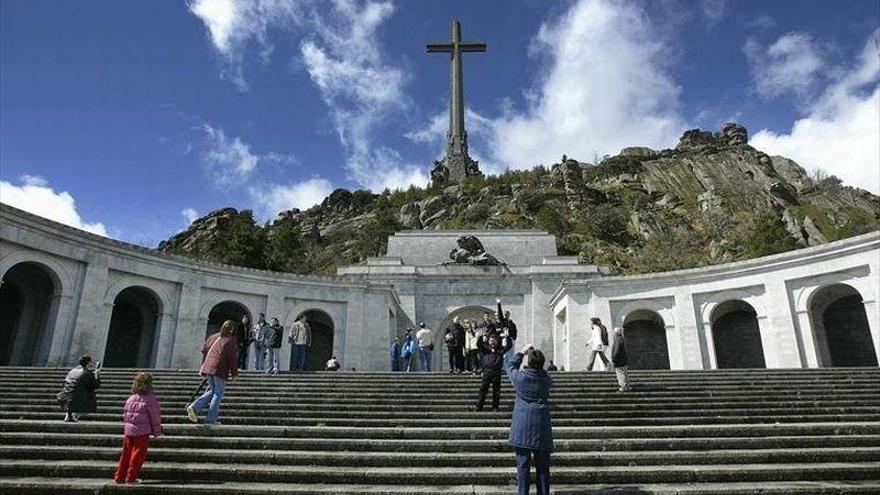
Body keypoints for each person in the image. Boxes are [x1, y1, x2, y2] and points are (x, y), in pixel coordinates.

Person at [506, 343, 553, 495]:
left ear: (528, 363)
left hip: (522, 425)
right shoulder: (546, 381)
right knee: (543, 469)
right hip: (541, 425)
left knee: (523, 468)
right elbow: (544, 374)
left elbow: (510, 366)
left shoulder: (520, 379)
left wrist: (521, 352)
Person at [186, 319, 238, 426]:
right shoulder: (230, 340)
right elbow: (232, 358)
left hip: (207, 367)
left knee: (214, 391)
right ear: (232, 330)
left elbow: (204, 349)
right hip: (219, 368)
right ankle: (211, 420)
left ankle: (195, 407)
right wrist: (234, 374)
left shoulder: (214, 336)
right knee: (218, 393)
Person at [113, 372, 162, 484]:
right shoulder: (150, 399)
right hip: (142, 431)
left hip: (129, 431)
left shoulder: (131, 398)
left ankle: (119, 476)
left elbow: (125, 415)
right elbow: (155, 417)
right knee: (137, 455)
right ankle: (131, 477)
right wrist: (157, 431)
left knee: (125, 454)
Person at [474, 333, 513, 411]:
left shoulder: (500, 349)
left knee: (496, 391)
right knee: (483, 390)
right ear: (488, 341)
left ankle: (495, 407)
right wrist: (480, 336)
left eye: (494, 340)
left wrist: (507, 336)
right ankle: (479, 406)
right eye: (491, 340)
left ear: (496, 341)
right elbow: (479, 344)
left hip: (497, 371)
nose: (492, 342)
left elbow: (509, 346)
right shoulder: (486, 349)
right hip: (487, 371)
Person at [57, 355, 101, 422]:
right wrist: (96, 373)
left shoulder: (72, 371)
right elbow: (96, 385)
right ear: (88, 363)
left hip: (64, 396)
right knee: (90, 393)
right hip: (77, 398)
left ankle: (70, 414)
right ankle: (75, 414)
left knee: (78, 391)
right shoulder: (87, 373)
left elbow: (65, 383)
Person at [611, 327, 630, 392]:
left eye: (613, 333)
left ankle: (623, 387)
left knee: (620, 374)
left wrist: (614, 359)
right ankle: (627, 386)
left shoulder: (617, 340)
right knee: (624, 373)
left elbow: (616, 350)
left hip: (619, 360)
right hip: (624, 360)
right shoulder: (622, 339)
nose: (613, 334)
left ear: (616, 333)